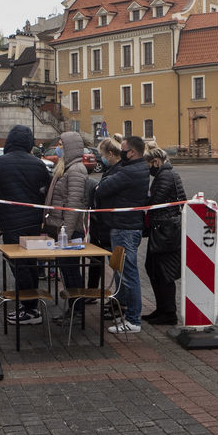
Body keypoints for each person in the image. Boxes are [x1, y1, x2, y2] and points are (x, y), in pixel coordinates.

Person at [0, 124, 51, 324]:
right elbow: (46, 193)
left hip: (10, 223)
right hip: (34, 223)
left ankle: (30, 309)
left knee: (19, 266)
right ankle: (31, 305)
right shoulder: (38, 164)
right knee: (31, 264)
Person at [94, 135, 151, 334]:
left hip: (124, 228)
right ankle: (125, 309)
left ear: (132, 152)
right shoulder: (140, 168)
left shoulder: (130, 172)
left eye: (124, 150)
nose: (121, 153)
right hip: (127, 226)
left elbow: (101, 190)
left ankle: (133, 319)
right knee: (124, 273)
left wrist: (103, 184)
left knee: (128, 275)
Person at [42, 131, 89, 305]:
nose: (58, 148)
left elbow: (73, 205)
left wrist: (65, 236)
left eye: (61, 145)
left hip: (70, 231)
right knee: (67, 271)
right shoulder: (67, 167)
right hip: (62, 229)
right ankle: (73, 309)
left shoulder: (76, 170)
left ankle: (77, 310)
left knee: (71, 272)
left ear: (70, 147)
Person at [143, 145, 186, 325]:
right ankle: (162, 309)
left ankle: (168, 312)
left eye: (149, 165)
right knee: (154, 269)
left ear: (156, 161)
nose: (148, 169)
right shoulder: (165, 174)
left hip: (166, 231)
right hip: (163, 229)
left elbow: (155, 202)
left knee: (163, 272)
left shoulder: (165, 175)